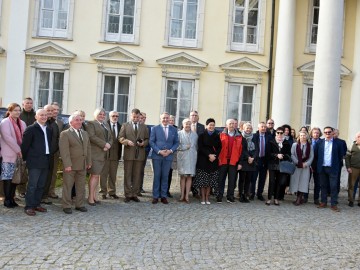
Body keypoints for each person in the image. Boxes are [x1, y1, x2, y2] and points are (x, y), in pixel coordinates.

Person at [21, 109, 52, 216]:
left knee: (41, 185)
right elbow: (24, 146)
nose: (44, 117)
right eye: (41, 115)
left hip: (45, 160)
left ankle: (36, 204)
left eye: (45, 115)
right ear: (36, 117)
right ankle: (29, 206)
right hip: (34, 161)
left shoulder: (48, 129)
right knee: (32, 185)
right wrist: (27, 159)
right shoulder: (31, 129)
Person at [59, 114, 92, 214]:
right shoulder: (65, 134)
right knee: (68, 186)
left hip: (82, 164)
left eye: (81, 120)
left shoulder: (85, 133)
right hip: (71, 165)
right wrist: (67, 164)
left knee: (81, 185)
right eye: (77, 120)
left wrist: (89, 161)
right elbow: (64, 151)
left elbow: (88, 148)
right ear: (71, 122)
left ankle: (80, 204)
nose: (79, 122)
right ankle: (66, 205)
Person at [119, 108, 149, 203]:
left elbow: (147, 139)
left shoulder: (144, 127)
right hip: (129, 153)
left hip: (139, 155)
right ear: (131, 116)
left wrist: (143, 143)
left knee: (137, 175)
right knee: (127, 175)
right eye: (134, 116)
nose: (135, 118)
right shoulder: (125, 125)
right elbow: (120, 138)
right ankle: (127, 194)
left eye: (137, 117)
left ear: (140, 117)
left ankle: (134, 194)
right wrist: (127, 141)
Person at [0, 103, 26, 208]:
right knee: (8, 178)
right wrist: (19, 150)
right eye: (15, 110)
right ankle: (7, 200)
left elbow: (25, 137)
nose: (17, 112)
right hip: (8, 154)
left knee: (15, 178)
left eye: (19, 110)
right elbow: (8, 138)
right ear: (10, 111)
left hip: (19, 155)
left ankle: (12, 198)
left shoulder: (22, 123)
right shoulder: (5, 122)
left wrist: (23, 150)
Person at [149, 112, 179, 204]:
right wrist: (159, 151)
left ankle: (163, 196)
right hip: (157, 156)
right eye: (163, 118)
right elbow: (151, 142)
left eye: (167, 118)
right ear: (160, 119)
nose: (165, 120)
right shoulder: (155, 128)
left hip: (168, 156)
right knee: (157, 176)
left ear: (169, 119)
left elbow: (176, 143)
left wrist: (170, 151)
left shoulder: (173, 129)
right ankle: (155, 196)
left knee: (165, 176)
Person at [314, 126, 344, 212]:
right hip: (322, 167)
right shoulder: (319, 143)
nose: (327, 134)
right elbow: (316, 155)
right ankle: (323, 202)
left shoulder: (338, 143)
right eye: (326, 132)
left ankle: (333, 204)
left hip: (333, 168)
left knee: (333, 186)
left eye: (329, 132)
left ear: (332, 132)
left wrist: (336, 165)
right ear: (323, 133)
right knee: (323, 186)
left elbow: (341, 155)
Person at [86, 108, 112, 206]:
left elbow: (111, 137)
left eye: (103, 114)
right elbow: (91, 137)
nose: (102, 116)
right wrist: (104, 144)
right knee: (94, 175)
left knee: (97, 176)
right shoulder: (91, 124)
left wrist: (108, 144)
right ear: (95, 115)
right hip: (95, 154)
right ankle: (90, 197)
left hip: (104, 153)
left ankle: (95, 196)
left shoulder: (106, 124)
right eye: (99, 114)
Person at [217, 119, 247, 203]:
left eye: (234, 124)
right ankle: (219, 195)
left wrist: (240, 163)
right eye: (230, 123)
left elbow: (242, 151)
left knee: (232, 180)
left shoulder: (240, 137)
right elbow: (217, 148)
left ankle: (230, 196)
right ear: (226, 125)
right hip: (223, 161)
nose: (232, 125)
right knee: (221, 179)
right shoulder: (220, 135)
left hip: (234, 161)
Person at [194, 118, 221, 205]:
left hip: (213, 161)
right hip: (203, 160)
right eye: (210, 125)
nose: (211, 126)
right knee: (203, 181)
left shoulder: (217, 135)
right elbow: (200, 147)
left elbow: (220, 147)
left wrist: (214, 156)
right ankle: (202, 197)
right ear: (206, 126)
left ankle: (207, 197)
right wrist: (209, 155)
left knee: (210, 181)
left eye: (213, 125)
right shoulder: (201, 135)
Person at [265, 126, 291, 206]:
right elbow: (268, 153)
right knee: (272, 181)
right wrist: (276, 155)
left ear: (284, 133)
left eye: (281, 133)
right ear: (276, 133)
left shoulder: (286, 143)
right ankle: (269, 198)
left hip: (282, 165)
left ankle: (276, 198)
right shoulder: (271, 141)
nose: (279, 134)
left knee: (279, 182)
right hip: (273, 164)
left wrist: (283, 155)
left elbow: (289, 155)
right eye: (278, 133)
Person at [100, 110, 122, 199]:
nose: (115, 118)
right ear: (109, 117)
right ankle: (103, 192)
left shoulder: (120, 126)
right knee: (103, 174)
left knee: (113, 174)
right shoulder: (104, 125)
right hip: (105, 153)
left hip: (115, 154)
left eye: (117, 116)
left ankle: (112, 191)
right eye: (113, 116)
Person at [41, 104, 60, 205]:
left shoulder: (54, 124)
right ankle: (37, 197)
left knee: (48, 176)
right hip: (41, 155)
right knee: (39, 177)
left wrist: (53, 150)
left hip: (51, 155)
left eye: (51, 111)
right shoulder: (41, 123)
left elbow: (57, 139)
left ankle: (44, 196)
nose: (50, 112)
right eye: (47, 110)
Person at [18, 97, 36, 198]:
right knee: (22, 169)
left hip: (34, 146)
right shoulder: (19, 115)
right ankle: (21, 190)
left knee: (32, 170)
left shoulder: (36, 115)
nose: (29, 105)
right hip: (22, 145)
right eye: (27, 103)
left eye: (30, 103)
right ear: (23, 104)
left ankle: (31, 189)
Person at [289, 131, 314, 205]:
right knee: (296, 182)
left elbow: (311, 157)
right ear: (299, 136)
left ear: (307, 136)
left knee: (303, 183)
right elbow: (292, 155)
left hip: (305, 167)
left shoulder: (310, 146)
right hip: (296, 166)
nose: (302, 137)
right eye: (301, 135)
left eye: (304, 135)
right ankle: (299, 198)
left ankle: (298, 199)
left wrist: (306, 164)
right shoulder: (294, 145)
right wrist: (298, 163)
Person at [177, 118, 198, 203]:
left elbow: (196, 147)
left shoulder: (195, 135)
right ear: (183, 124)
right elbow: (176, 146)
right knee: (183, 177)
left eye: (189, 124)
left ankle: (187, 196)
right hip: (182, 157)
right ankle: (182, 195)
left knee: (189, 177)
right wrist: (185, 147)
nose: (188, 125)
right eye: (186, 123)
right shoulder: (179, 134)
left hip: (192, 157)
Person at [47, 102, 64, 199]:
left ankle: (51, 191)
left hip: (56, 152)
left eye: (57, 110)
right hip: (46, 152)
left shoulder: (60, 123)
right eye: (54, 110)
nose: (56, 112)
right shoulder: (45, 121)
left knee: (53, 173)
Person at [239, 122, 257, 203]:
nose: (248, 129)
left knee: (248, 180)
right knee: (242, 179)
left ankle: (246, 194)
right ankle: (241, 195)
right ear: (243, 128)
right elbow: (242, 150)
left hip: (251, 161)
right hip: (243, 160)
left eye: (250, 128)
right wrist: (248, 157)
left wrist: (252, 157)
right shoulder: (241, 137)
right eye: (247, 128)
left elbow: (257, 149)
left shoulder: (254, 137)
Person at [250, 122, 269, 201]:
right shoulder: (254, 136)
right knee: (253, 178)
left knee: (262, 178)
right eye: (262, 127)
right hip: (256, 160)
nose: (264, 128)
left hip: (264, 160)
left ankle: (260, 194)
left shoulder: (269, 137)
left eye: (265, 127)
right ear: (258, 128)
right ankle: (252, 193)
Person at [304, 127, 322, 204]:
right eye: (314, 133)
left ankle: (316, 198)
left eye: (317, 133)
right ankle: (305, 197)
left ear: (319, 134)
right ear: (311, 133)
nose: (316, 134)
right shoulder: (308, 141)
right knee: (306, 181)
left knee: (317, 183)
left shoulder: (322, 142)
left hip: (318, 165)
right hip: (308, 164)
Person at [189, 110, 205, 198]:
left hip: (199, 152)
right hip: (188, 153)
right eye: (192, 115)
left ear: (198, 117)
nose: (194, 117)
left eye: (195, 115)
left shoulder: (202, 127)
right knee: (188, 171)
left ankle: (195, 190)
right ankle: (186, 190)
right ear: (189, 117)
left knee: (196, 172)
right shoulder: (185, 125)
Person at [345, 132, 360, 207]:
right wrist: (348, 167)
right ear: (356, 137)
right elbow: (347, 157)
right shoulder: (351, 146)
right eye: (358, 136)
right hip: (353, 168)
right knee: (352, 185)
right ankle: (351, 200)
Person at [139, 112, 151, 195]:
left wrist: (145, 146)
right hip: (134, 151)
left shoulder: (148, 128)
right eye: (142, 117)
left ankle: (140, 187)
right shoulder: (133, 126)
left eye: (144, 118)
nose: (143, 119)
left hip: (144, 151)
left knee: (141, 170)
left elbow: (149, 140)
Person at [333, 128, 347, 194]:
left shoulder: (342, 142)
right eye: (333, 133)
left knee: (337, 179)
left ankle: (336, 192)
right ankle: (328, 192)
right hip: (328, 164)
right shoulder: (328, 141)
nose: (334, 134)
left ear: (338, 134)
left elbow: (344, 153)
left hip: (338, 163)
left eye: (335, 133)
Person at [167, 115, 178, 198]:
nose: (171, 122)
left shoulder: (176, 130)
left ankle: (167, 190)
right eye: (169, 120)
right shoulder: (162, 128)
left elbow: (177, 142)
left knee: (169, 174)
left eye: (172, 120)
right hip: (162, 154)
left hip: (171, 154)